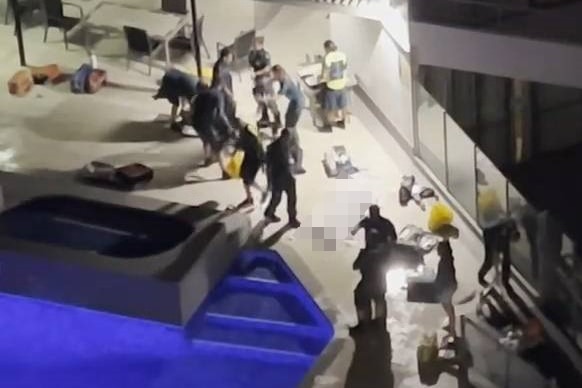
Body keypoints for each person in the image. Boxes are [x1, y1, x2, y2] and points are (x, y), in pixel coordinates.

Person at [190, 84, 233, 179]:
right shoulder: (218, 95)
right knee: (217, 148)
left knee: (205, 140)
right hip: (208, 125)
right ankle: (224, 171)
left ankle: (207, 158)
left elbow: (192, 111)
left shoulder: (196, 97)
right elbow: (220, 114)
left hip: (197, 124)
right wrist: (228, 126)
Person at [272, 64, 306, 174]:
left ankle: (294, 145)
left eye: (275, 75)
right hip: (295, 101)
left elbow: (282, 92)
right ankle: (291, 142)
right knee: (288, 120)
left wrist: (271, 100)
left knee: (291, 125)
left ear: (278, 73)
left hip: (297, 103)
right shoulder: (282, 78)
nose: (274, 77)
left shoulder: (285, 80)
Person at [264, 129, 301, 228]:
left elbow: (288, 156)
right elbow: (268, 167)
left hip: (287, 176)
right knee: (277, 198)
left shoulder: (285, 144)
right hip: (278, 177)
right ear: (283, 136)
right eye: (287, 138)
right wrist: (269, 183)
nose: (288, 140)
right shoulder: (272, 148)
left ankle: (292, 218)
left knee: (291, 198)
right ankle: (269, 213)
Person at [478, 218, 520, 291]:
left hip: (501, 237)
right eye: (512, 239)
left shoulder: (512, 225)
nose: (512, 241)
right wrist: (497, 272)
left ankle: (505, 281)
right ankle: (481, 276)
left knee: (507, 260)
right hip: (490, 237)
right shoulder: (501, 231)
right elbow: (495, 256)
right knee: (489, 261)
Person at [248, 37, 281, 131]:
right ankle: (264, 116)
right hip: (257, 81)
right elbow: (251, 65)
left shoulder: (265, 55)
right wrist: (252, 74)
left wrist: (257, 73)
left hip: (266, 80)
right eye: (253, 44)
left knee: (269, 99)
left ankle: (277, 119)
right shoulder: (252, 54)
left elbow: (267, 68)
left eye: (256, 44)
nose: (254, 46)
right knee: (259, 99)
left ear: (261, 45)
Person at [232, 121, 267, 207]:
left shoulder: (246, 137)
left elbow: (240, 146)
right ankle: (249, 198)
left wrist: (233, 151)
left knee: (248, 180)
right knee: (245, 179)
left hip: (254, 159)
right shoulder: (248, 132)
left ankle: (261, 192)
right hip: (251, 157)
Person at [321, 40, 348, 129]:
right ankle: (342, 122)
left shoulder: (327, 57)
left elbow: (324, 74)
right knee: (343, 105)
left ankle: (328, 124)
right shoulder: (343, 55)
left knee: (330, 107)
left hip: (332, 87)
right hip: (342, 85)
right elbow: (344, 68)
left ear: (327, 48)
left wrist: (321, 77)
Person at [435, 240, 458, 340]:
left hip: (448, 286)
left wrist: (437, 284)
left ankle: (452, 330)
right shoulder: (447, 258)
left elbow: (443, 276)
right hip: (450, 284)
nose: (437, 251)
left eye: (438, 249)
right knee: (447, 305)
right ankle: (451, 325)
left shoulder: (444, 261)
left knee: (448, 307)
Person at [212, 47, 236, 126]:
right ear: (225, 58)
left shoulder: (225, 64)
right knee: (223, 109)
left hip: (227, 90)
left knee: (231, 106)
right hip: (220, 91)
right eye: (230, 57)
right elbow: (221, 82)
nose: (231, 59)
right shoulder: (219, 66)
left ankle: (229, 123)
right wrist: (228, 92)